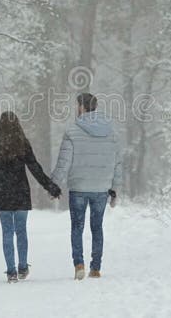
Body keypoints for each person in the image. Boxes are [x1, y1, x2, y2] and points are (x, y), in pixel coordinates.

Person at [0, 111, 62, 283]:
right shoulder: (22, 144)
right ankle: (23, 267)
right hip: (20, 193)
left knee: (7, 233)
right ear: (17, 125)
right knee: (21, 231)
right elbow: (35, 168)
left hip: (1, 194)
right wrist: (50, 187)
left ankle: (11, 271)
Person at [51, 93, 122, 280]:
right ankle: (96, 268)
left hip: (79, 186)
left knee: (77, 226)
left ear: (82, 107)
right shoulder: (112, 132)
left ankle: (79, 265)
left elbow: (63, 162)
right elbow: (117, 163)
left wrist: (54, 184)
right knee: (97, 227)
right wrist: (115, 187)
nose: (76, 109)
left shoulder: (73, 130)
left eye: (77, 106)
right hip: (101, 187)